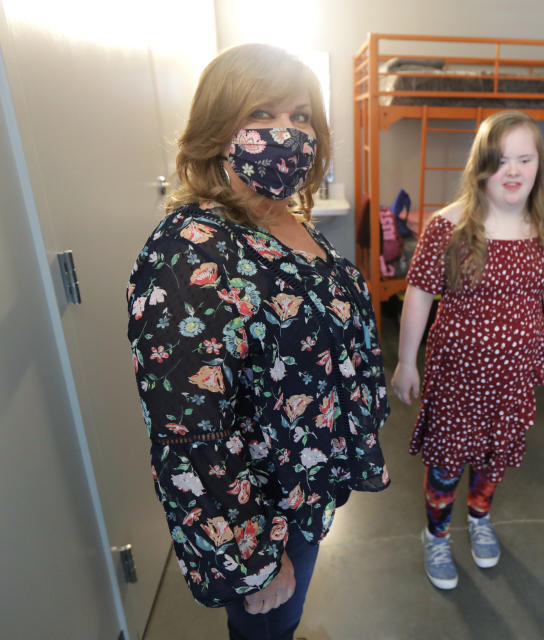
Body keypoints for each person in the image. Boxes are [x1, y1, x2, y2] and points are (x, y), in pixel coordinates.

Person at [126, 43, 390, 639]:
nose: (287, 133)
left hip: (304, 488)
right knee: (269, 629)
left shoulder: (284, 218)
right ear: (219, 130)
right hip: (263, 518)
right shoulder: (188, 251)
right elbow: (191, 434)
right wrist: (253, 565)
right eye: (261, 115)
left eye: (301, 116)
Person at [391, 110, 544, 589]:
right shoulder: (448, 226)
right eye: (500, 159)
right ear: (480, 166)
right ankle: (436, 533)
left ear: (538, 165)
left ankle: (479, 518)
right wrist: (406, 361)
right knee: (448, 460)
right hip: (457, 377)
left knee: (494, 457)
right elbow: (419, 293)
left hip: (515, 378)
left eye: (524, 158)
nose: (513, 170)